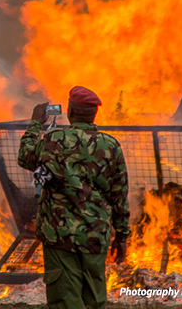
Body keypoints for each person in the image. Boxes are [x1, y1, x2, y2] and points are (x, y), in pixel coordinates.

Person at [17, 86, 130, 309]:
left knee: (66, 299)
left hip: (60, 235)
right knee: (94, 300)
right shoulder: (111, 145)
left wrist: (34, 125)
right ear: (94, 114)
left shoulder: (54, 140)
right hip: (95, 235)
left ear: (70, 110)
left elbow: (25, 157)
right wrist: (123, 235)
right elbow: (119, 195)